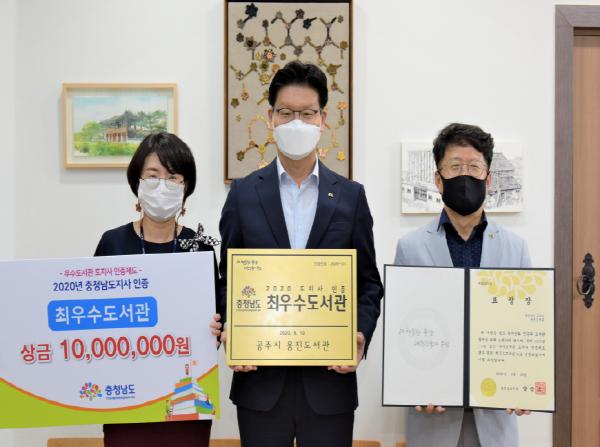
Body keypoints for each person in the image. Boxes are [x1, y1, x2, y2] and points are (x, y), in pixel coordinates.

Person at [218, 60, 384, 447]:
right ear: (270, 118)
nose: (297, 123)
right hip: (260, 382)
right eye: (286, 113)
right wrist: (232, 329)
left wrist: (360, 333)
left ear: (323, 119)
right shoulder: (243, 194)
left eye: (307, 114)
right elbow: (227, 280)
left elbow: (369, 284)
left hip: (329, 382)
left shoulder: (350, 196)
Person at [394, 123, 531, 447]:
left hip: (495, 417)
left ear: (488, 179)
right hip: (433, 418)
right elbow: (404, 329)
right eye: (455, 167)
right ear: (438, 179)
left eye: (474, 167)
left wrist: (526, 384)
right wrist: (414, 385)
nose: (465, 176)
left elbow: (526, 325)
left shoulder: (516, 248)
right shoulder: (410, 247)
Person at [94, 132, 222, 447]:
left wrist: (217, 328)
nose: (162, 186)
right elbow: (92, 318)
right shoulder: (113, 243)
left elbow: (217, 316)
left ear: (186, 187)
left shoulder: (200, 247)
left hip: (186, 399)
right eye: (152, 176)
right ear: (137, 183)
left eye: (173, 177)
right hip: (126, 398)